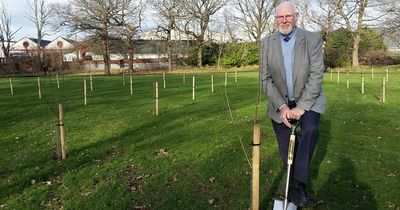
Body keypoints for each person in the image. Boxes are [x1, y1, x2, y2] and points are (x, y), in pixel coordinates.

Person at [260, 1, 326, 207]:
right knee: (286, 147)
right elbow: (264, 78)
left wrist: (301, 107)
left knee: (310, 131)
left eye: (288, 16)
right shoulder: (266, 43)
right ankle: (295, 188)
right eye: (280, 17)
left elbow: (316, 76)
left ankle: (297, 184)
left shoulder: (312, 40)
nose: (284, 20)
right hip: (280, 102)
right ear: (275, 19)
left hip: (309, 100)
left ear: (296, 16)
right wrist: (282, 107)